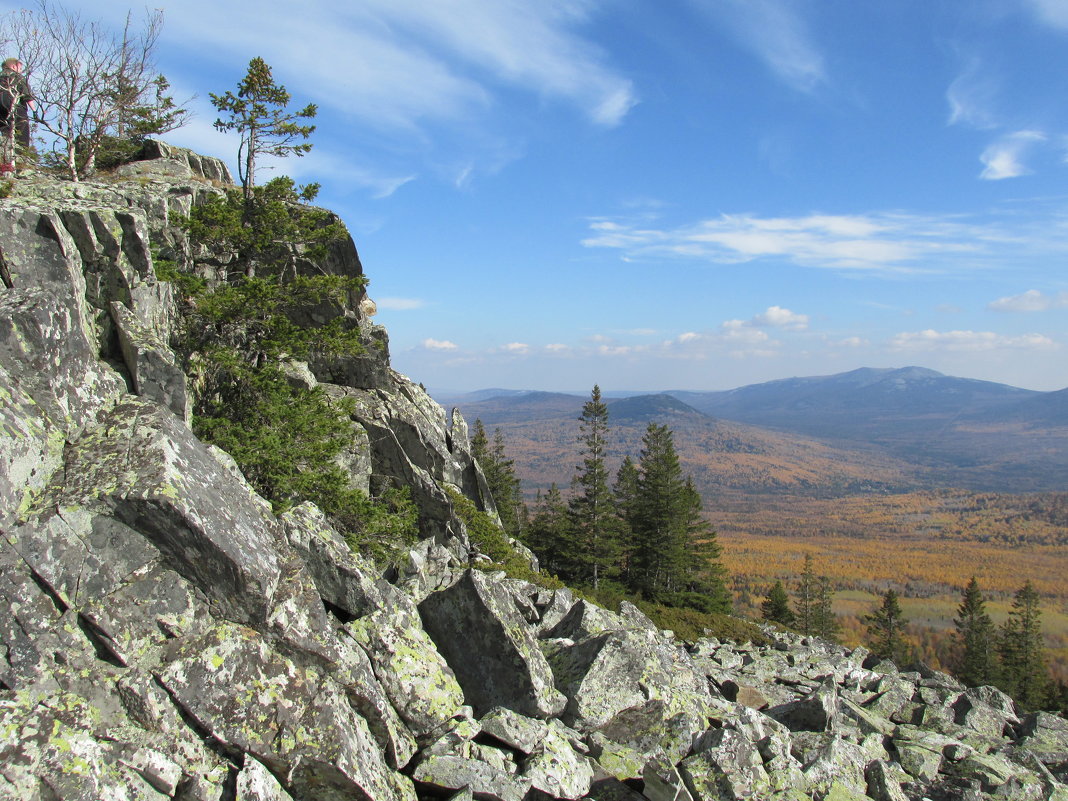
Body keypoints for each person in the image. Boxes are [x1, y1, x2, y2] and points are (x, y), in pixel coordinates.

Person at [0, 57, 35, 173]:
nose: (20, 70)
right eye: (20, 67)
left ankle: (6, 163)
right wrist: (35, 111)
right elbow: (27, 96)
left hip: (1, 111)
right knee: (22, 134)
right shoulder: (17, 77)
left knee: (6, 135)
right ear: (14, 66)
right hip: (16, 108)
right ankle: (21, 164)